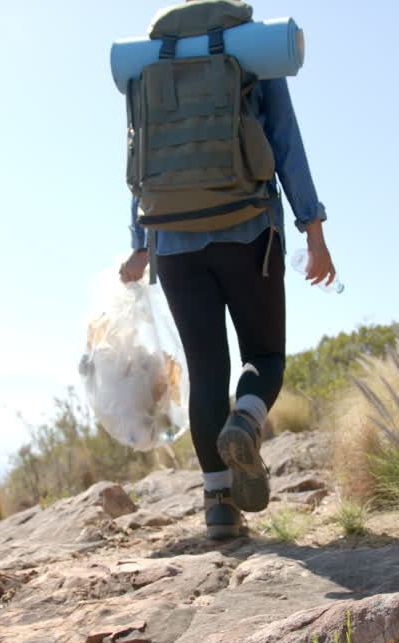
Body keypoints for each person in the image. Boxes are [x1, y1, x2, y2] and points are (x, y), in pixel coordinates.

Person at [119, 27, 336, 540]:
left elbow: (139, 156)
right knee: (266, 356)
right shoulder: (251, 50)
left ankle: (219, 506)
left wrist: (139, 242)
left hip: (172, 243)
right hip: (249, 232)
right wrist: (315, 230)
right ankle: (246, 421)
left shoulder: (151, 63)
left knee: (206, 371)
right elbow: (285, 142)